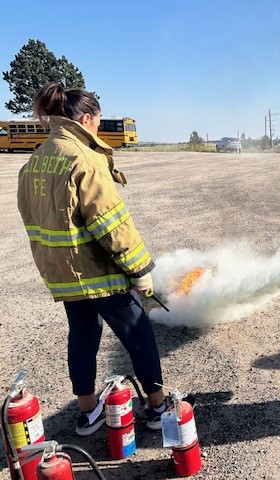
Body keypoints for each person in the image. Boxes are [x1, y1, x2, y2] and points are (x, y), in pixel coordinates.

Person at [17, 83, 170, 435]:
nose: (98, 129)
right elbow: (111, 223)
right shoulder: (84, 159)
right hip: (96, 272)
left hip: (63, 274)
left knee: (83, 334)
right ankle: (158, 407)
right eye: (98, 123)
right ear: (85, 119)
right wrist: (140, 269)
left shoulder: (36, 160)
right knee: (138, 334)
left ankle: (88, 413)